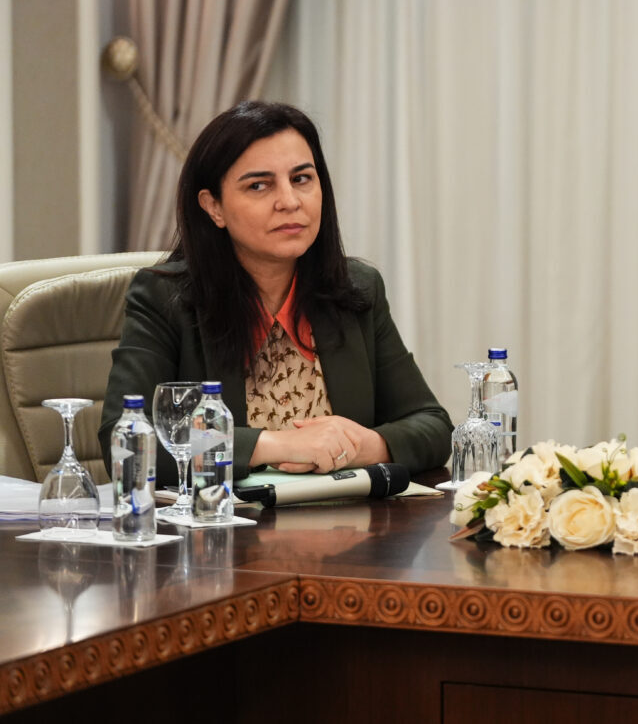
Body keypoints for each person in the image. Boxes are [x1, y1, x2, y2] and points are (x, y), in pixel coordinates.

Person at [98, 101, 453, 484]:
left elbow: (432, 425)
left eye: (301, 179)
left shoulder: (356, 289)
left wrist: (361, 446)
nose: (290, 201)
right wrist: (276, 445)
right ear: (214, 207)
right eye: (259, 185)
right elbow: (126, 442)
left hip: (348, 518)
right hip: (227, 521)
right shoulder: (164, 297)